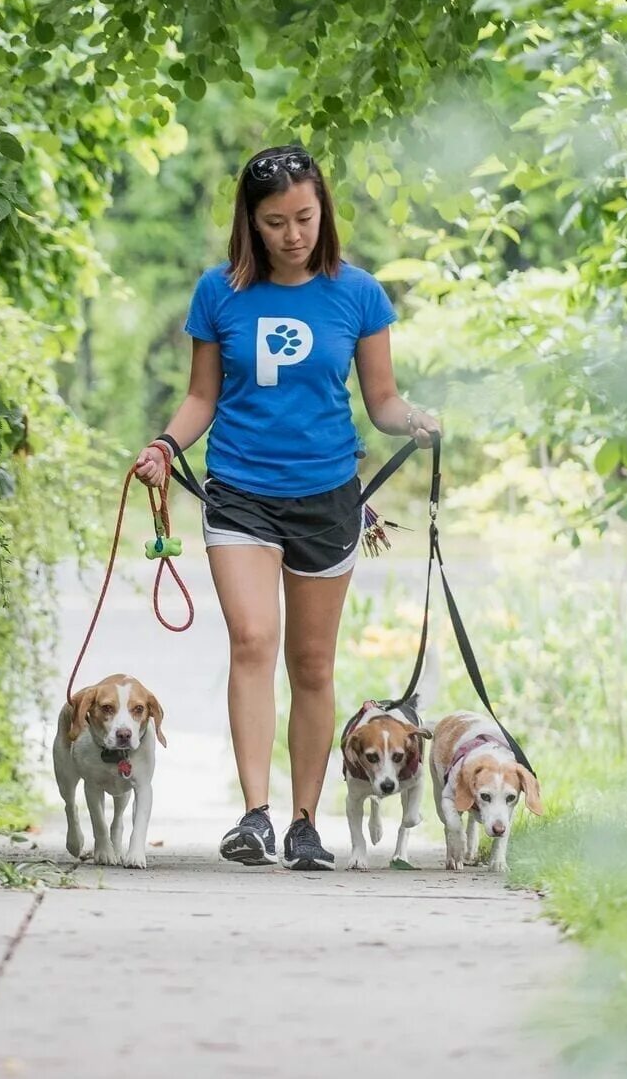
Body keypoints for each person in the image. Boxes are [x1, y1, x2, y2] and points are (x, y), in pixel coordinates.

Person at [132, 144, 439, 871]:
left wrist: (416, 420)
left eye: (305, 216)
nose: (293, 233)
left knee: (311, 662)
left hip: (327, 496)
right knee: (251, 640)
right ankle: (254, 815)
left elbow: (383, 401)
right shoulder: (219, 292)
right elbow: (202, 396)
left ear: (323, 211)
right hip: (240, 490)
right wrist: (162, 447)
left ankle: (305, 820)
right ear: (252, 223)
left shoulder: (359, 294)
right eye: (276, 222)